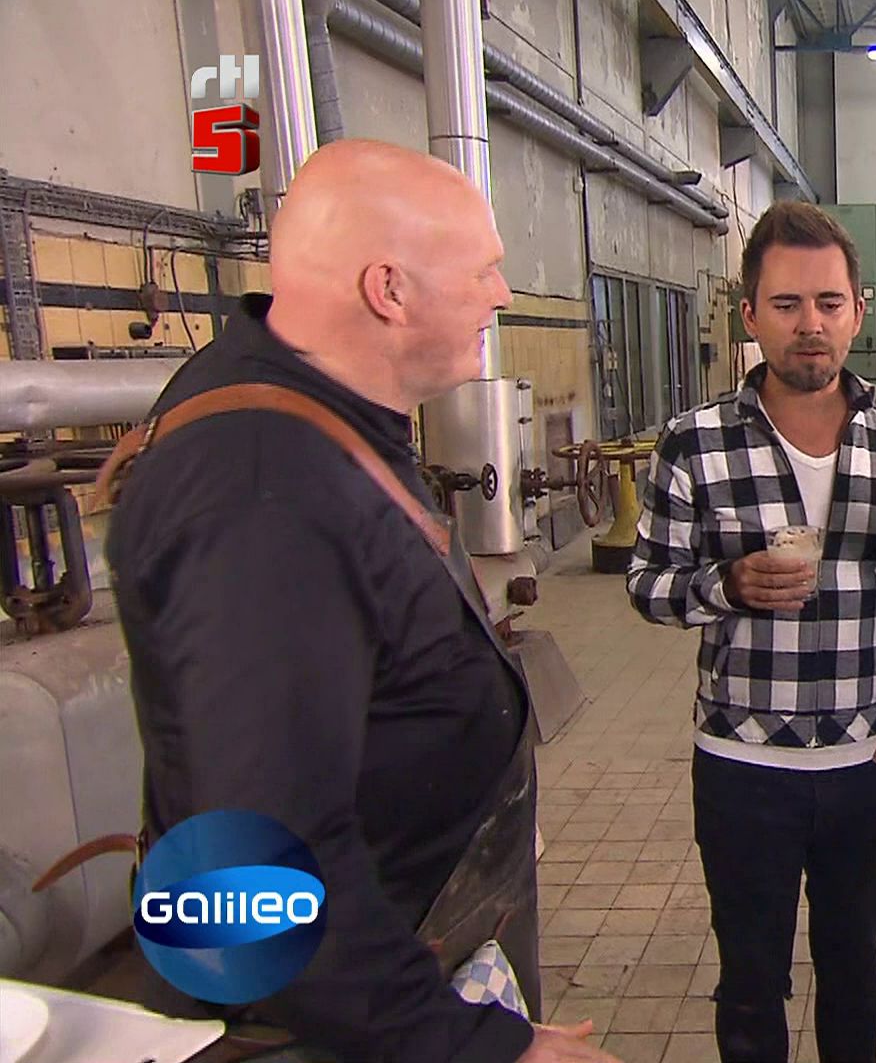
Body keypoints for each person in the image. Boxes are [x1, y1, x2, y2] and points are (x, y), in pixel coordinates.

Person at [105, 139, 616, 1061]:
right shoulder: (261, 491)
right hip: (319, 1031)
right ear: (390, 290)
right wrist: (475, 1046)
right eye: (484, 269)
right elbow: (254, 869)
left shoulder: (314, 422)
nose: (502, 295)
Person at [627, 201, 876, 1063]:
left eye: (829, 303)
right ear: (750, 316)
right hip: (742, 766)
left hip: (865, 765)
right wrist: (724, 585)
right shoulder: (693, 445)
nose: (811, 324)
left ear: (858, 311)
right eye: (787, 304)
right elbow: (647, 585)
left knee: (854, 969)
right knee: (749, 980)